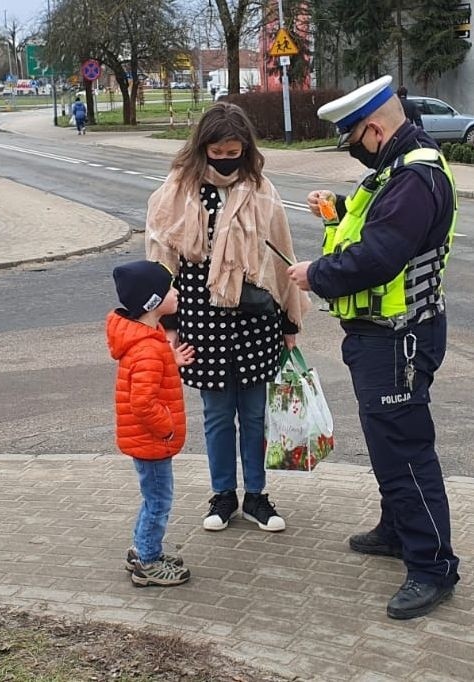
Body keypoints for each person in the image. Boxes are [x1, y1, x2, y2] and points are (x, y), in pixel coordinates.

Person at [288, 75, 460, 620]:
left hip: (399, 340)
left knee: (405, 451)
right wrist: (337, 210)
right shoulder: (397, 170)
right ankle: (396, 529)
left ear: (373, 128)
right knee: (390, 445)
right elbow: (378, 227)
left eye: (354, 141)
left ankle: (433, 567)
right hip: (384, 338)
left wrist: (315, 273)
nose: (356, 153)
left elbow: (380, 256)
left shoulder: (414, 177)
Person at [145, 102, 309, 534]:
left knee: (255, 415)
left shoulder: (261, 189)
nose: (225, 160)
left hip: (256, 319)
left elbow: (281, 257)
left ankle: (257, 496)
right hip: (199, 319)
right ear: (203, 149)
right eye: (217, 152)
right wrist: (167, 327)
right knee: (217, 416)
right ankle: (223, 495)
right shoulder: (177, 191)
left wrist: (290, 323)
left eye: (233, 151)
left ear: (246, 149)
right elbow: (161, 259)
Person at [106, 260, 195, 587]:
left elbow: (147, 376)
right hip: (152, 441)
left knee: (152, 498)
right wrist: (166, 427)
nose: (177, 292)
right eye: (170, 288)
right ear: (153, 303)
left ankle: (144, 549)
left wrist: (170, 359)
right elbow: (142, 401)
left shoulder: (148, 339)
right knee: (159, 502)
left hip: (148, 440)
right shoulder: (146, 348)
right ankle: (148, 561)